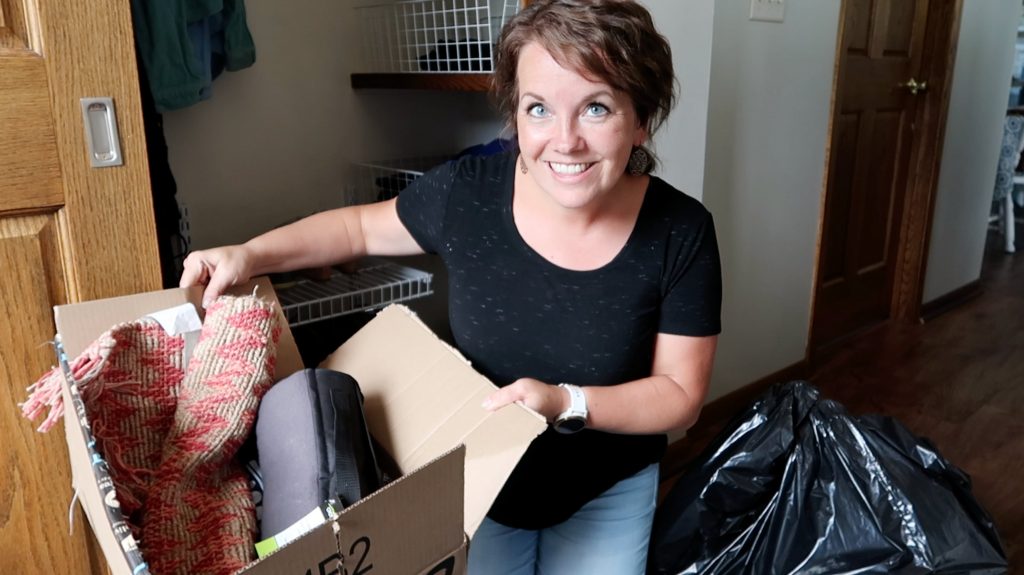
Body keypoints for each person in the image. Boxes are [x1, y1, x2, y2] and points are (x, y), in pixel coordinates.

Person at [180, 0, 722, 572]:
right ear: (515, 114)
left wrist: (566, 403)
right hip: (481, 476)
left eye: (596, 107)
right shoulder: (467, 194)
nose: (564, 141)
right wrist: (250, 252)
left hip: (607, 485)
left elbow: (680, 395)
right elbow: (357, 227)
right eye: (539, 108)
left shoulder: (681, 231)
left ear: (640, 119)